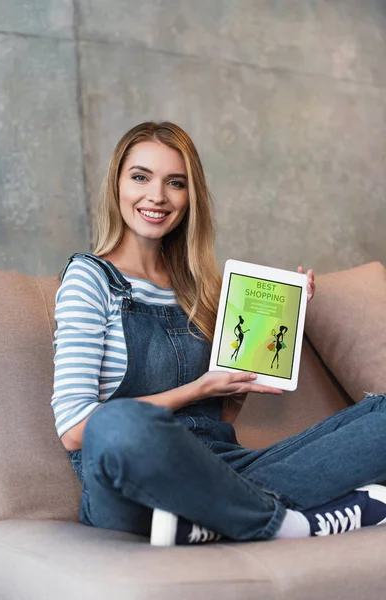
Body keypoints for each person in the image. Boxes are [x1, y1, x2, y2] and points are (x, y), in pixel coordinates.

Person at [52, 121, 386, 547]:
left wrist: (266, 344)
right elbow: (75, 429)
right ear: (117, 184)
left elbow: (218, 421)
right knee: (119, 422)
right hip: (131, 483)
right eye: (140, 177)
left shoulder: (202, 289)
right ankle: (290, 523)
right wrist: (195, 389)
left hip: (222, 469)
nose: (156, 196)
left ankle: (207, 522)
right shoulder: (90, 277)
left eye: (175, 183)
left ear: (190, 198)